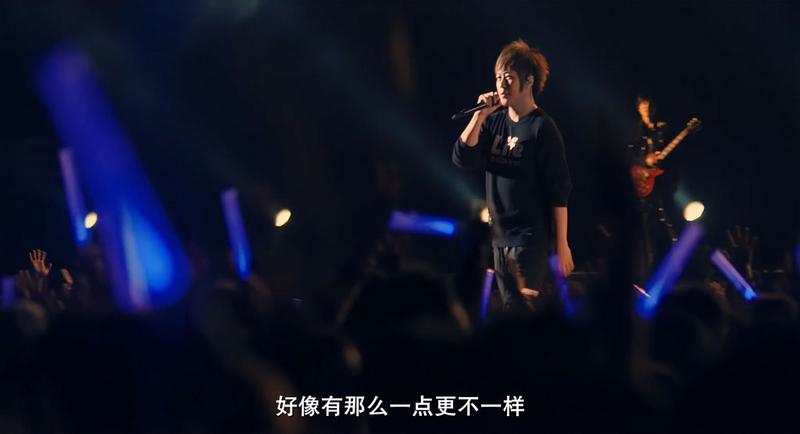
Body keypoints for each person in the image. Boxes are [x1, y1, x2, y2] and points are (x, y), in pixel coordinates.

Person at [452, 39, 573, 313]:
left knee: (522, 311)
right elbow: (462, 158)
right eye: (498, 78)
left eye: (508, 77)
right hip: (498, 239)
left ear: (529, 80)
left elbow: (559, 189)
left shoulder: (543, 128)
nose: (501, 85)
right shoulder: (493, 122)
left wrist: (562, 243)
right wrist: (479, 116)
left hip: (529, 239)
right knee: (507, 311)